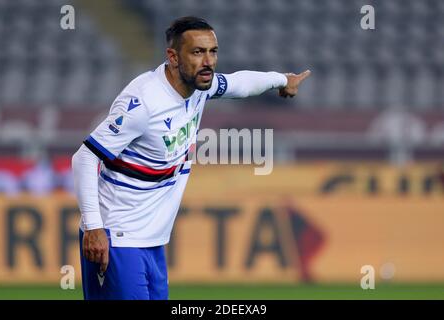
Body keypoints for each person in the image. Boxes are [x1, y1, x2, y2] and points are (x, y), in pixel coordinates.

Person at [71, 16, 310, 300]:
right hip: (117, 238)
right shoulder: (144, 103)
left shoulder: (199, 88)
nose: (208, 61)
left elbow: (239, 83)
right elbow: (85, 158)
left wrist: (283, 80)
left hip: (152, 241)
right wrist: (95, 228)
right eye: (198, 52)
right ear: (173, 57)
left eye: (213, 51)